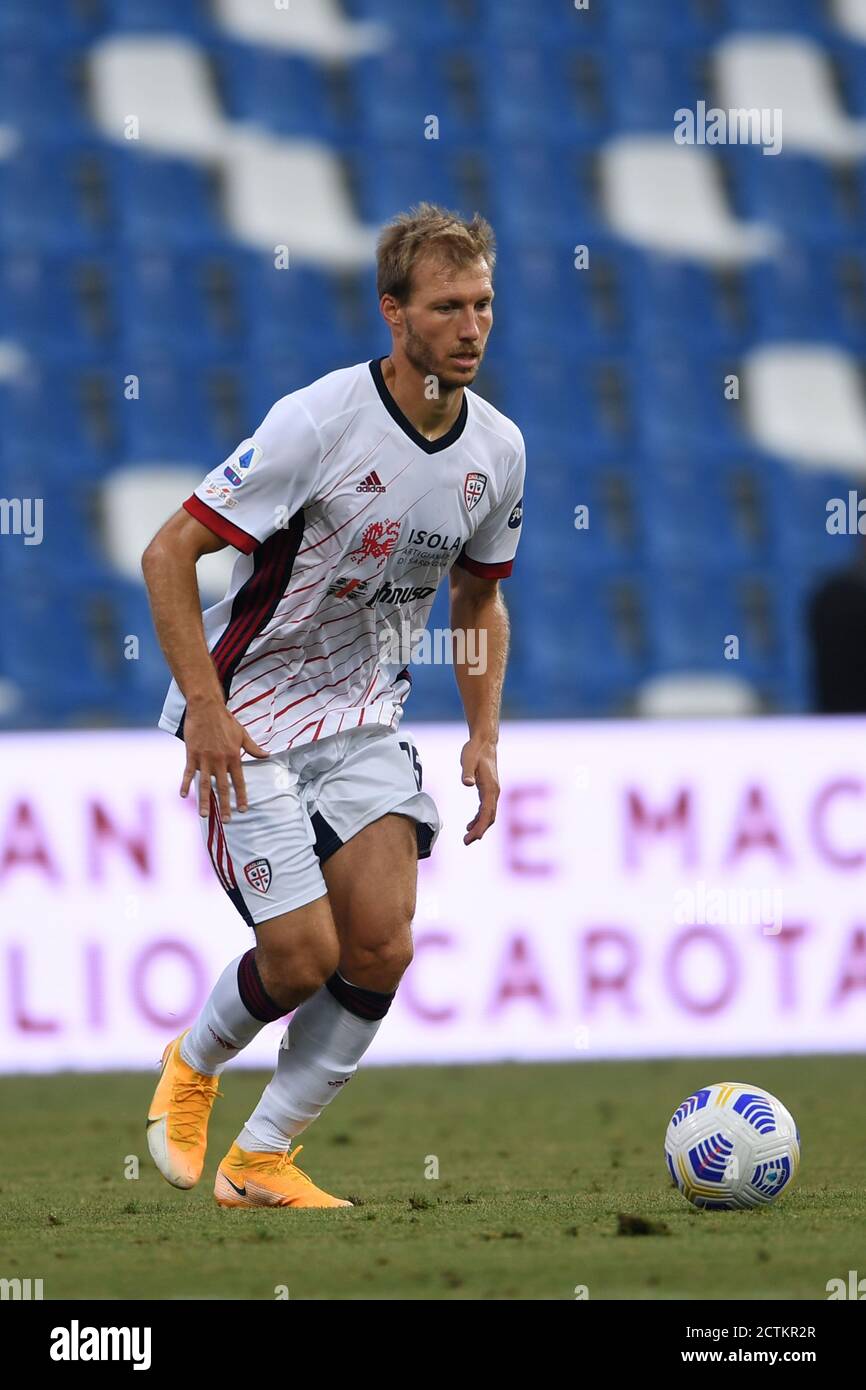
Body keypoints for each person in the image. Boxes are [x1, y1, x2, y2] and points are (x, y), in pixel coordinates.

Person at [140, 203, 525, 1208]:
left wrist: (483, 735)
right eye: (447, 307)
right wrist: (204, 704)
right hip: (249, 720)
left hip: (363, 718)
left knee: (384, 942)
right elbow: (168, 552)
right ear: (393, 314)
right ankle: (192, 1062)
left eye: (482, 304)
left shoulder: (498, 451)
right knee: (302, 956)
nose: (471, 327)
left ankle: (261, 1157)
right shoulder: (318, 420)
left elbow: (480, 595)